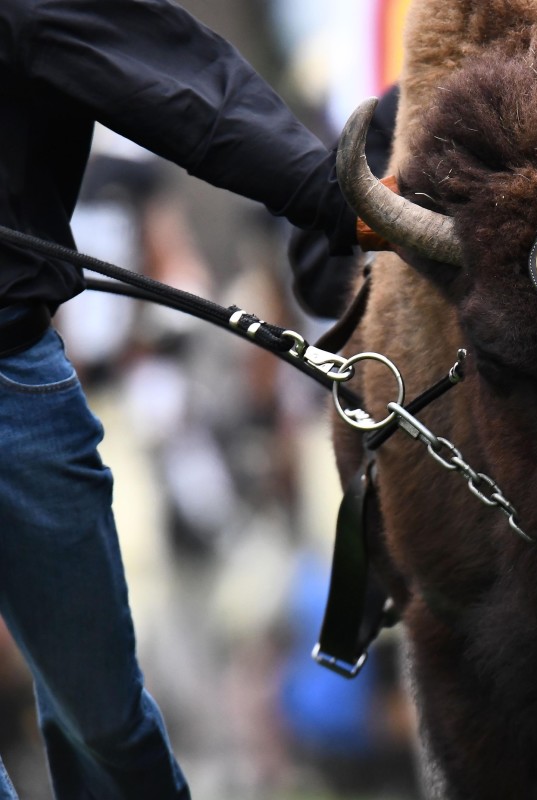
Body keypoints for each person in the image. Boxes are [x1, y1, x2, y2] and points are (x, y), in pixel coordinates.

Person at [0, 0, 373, 796]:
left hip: (27, 381)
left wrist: (339, 197)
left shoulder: (126, 177)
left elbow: (184, 87)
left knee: (101, 717)